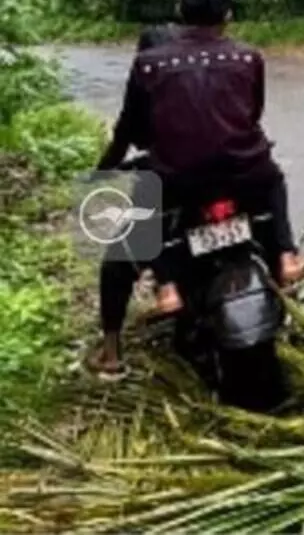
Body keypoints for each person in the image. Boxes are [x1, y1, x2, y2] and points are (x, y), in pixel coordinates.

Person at [110, 0, 304, 317]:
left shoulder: (150, 63)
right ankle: (286, 254)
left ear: (180, 13)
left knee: (148, 197)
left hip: (178, 178)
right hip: (245, 172)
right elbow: (252, 111)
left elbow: (129, 128)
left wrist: (104, 167)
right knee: (273, 179)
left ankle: (167, 286)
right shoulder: (248, 57)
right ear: (228, 15)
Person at [86, 23, 177, 380]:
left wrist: (100, 174)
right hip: (225, 179)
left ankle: (111, 352)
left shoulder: (144, 85)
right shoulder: (206, 77)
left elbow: (123, 138)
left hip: (165, 186)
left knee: (117, 263)